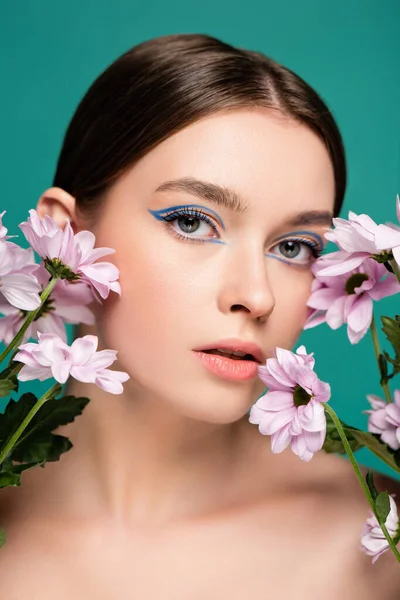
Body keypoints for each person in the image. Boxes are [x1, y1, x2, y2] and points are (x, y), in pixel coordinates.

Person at [0, 33, 399, 599]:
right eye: (192, 221)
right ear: (65, 236)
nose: (256, 297)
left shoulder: (379, 541)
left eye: (294, 247)